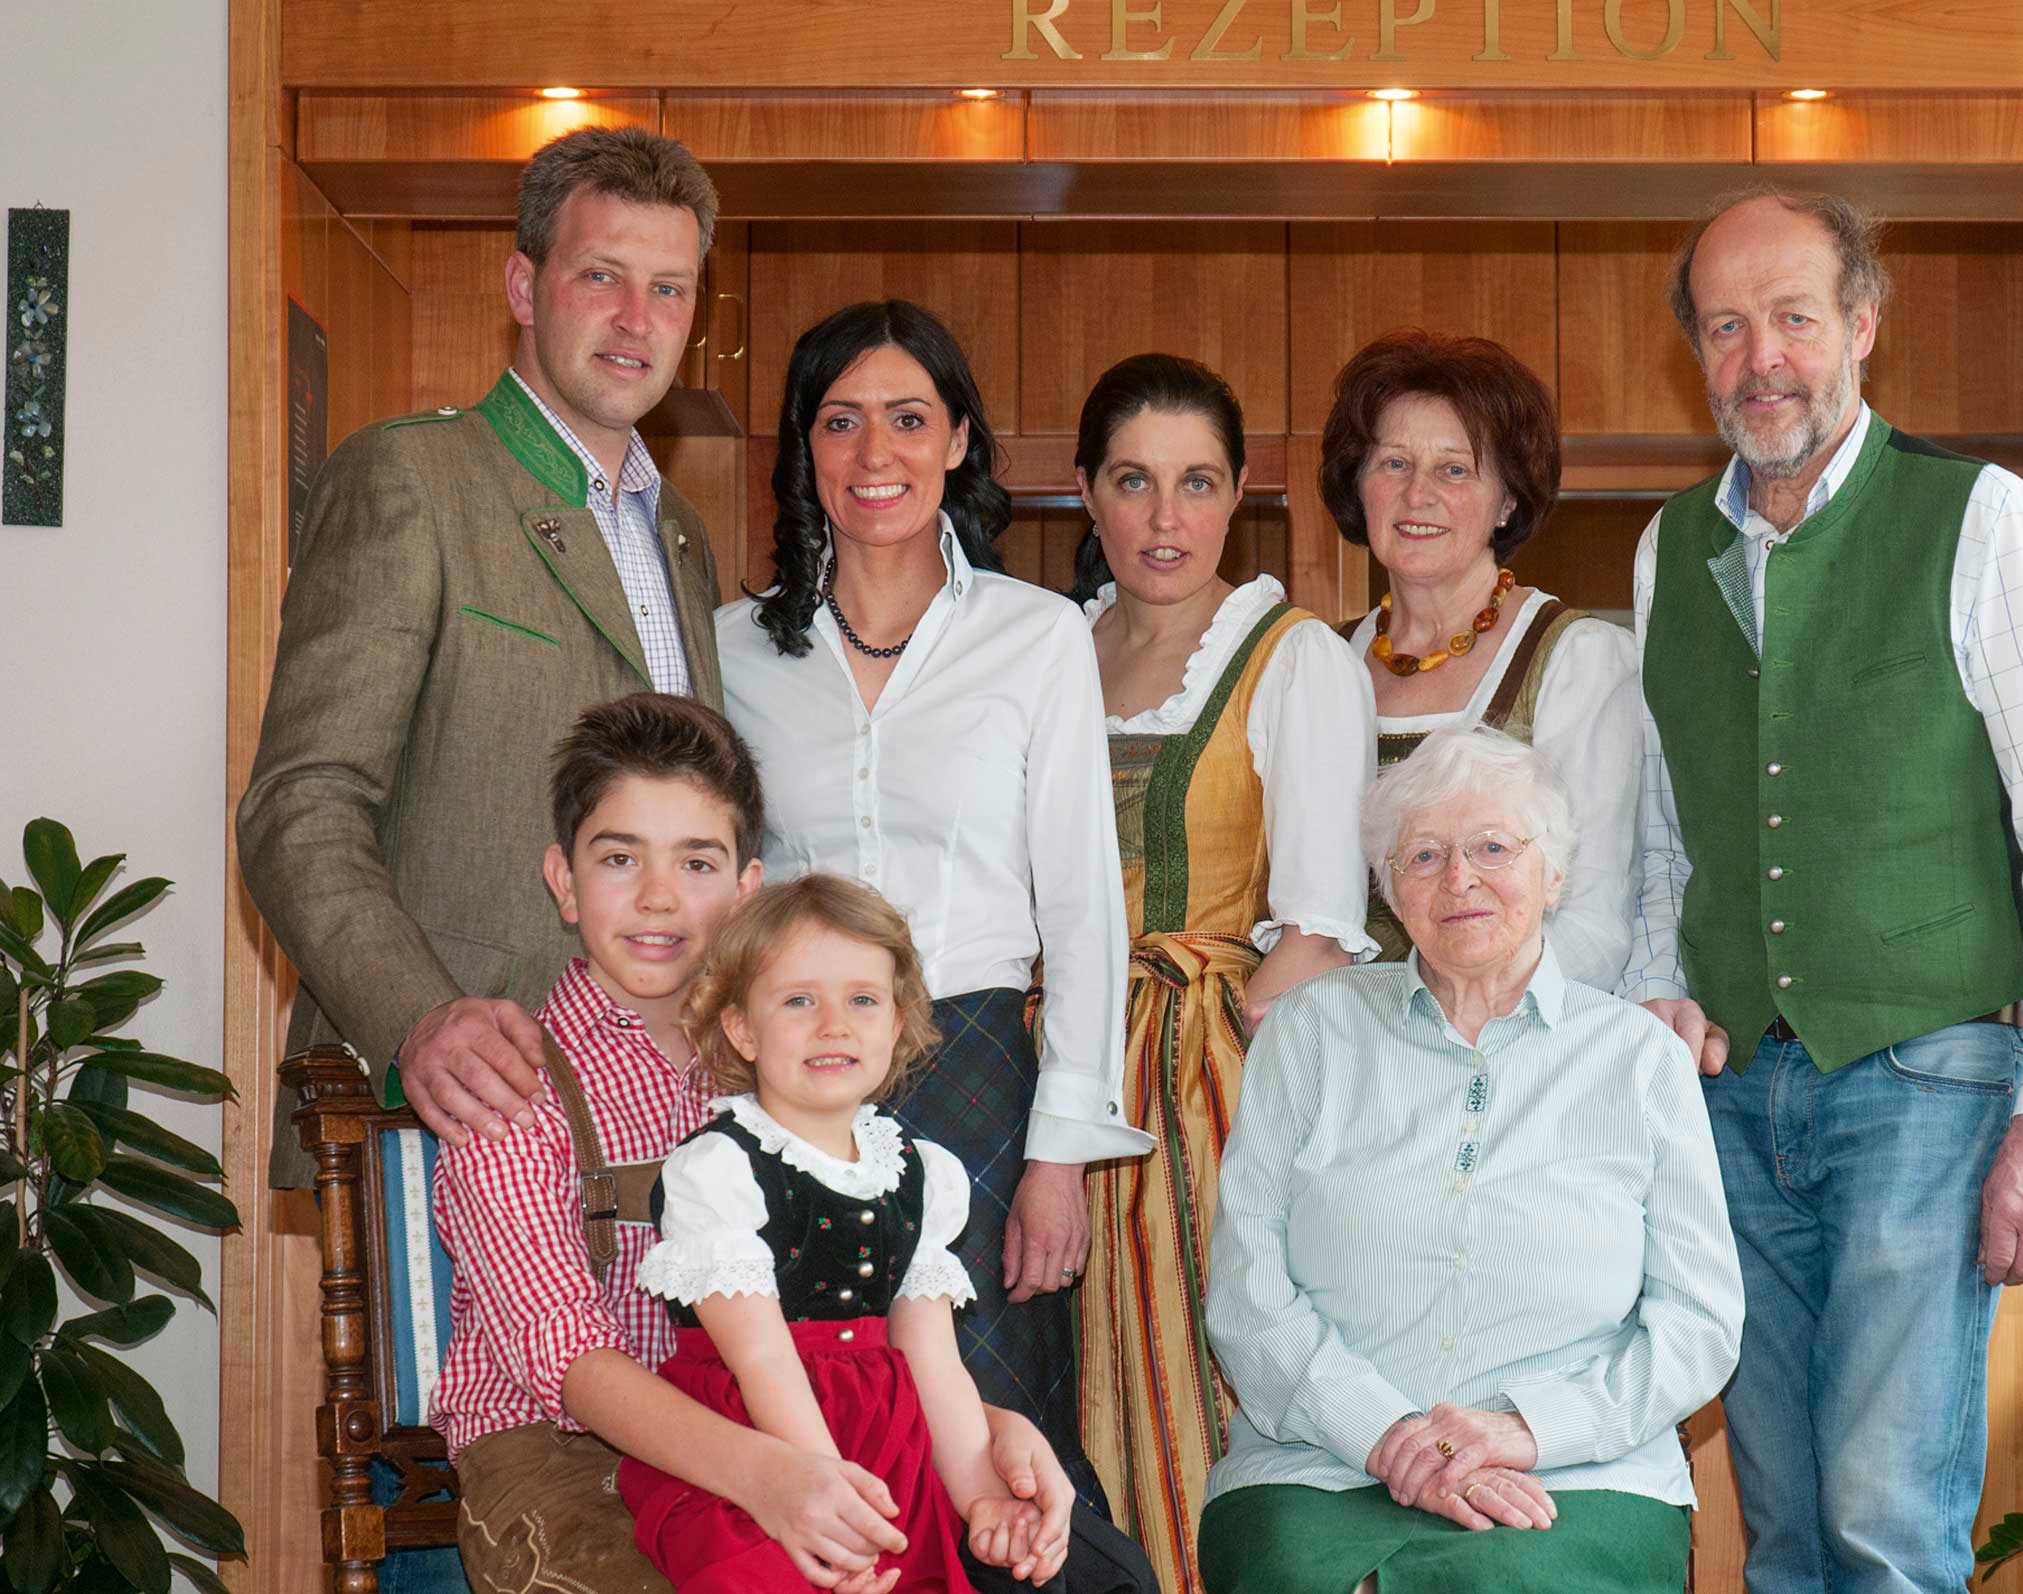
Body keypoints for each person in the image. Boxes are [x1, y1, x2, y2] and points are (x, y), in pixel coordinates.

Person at [1625, 187, 2023, 1592]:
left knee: (1883, 1517)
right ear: (1698, 355)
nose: (1760, 357)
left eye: (1792, 316)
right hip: (1733, 1094)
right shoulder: (1669, 550)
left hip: (1925, 1072)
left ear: (1860, 325)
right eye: (1726, 327)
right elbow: (1665, 844)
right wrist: (1653, 1011)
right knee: (1783, 1527)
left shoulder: (1979, 516)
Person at [429, 694, 1088, 1594]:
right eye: (618, 858)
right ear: (563, 879)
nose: (658, 897)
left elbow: (872, 1318)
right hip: (565, 1456)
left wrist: (989, 1431)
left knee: (1076, 1567)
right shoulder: (512, 1087)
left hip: (790, 1430)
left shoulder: (792, 1073)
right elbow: (568, 1361)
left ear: (747, 889)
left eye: (696, 862)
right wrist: (774, 1479)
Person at [719, 300, 1150, 1508]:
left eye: (909, 419)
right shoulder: (732, 649)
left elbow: (1080, 910)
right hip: (792, 1081)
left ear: (959, 439)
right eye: (841, 420)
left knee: (994, 1421)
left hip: (975, 1071)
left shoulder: (1040, 635)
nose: (875, 455)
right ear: (804, 446)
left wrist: (1058, 1154)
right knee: (821, 1415)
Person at [240, 126, 728, 1191]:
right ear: (523, 282)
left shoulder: (684, 536)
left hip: (653, 1123)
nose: (637, 321)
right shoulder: (413, 478)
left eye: (670, 289)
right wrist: (419, 1020)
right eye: (602, 275)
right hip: (468, 1113)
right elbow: (301, 803)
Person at [1198, 726, 1744, 1594]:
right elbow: (1247, 1288)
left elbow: (1698, 1323)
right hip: (1327, 1464)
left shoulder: (1639, 1058)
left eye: (1494, 847)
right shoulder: (1309, 1035)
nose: (1460, 879)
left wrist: (1528, 1430)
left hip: (1574, 1471)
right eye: (1424, 856)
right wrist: (1384, 1433)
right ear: (1390, 889)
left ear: (1553, 874)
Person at [622, 874, 1158, 1593]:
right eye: (798, 1000)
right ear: (742, 1028)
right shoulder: (719, 1168)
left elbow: (934, 1363)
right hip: (764, 1446)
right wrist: (829, 1502)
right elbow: (761, 1360)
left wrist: (978, 1495)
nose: (833, 1024)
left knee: (1077, 1571)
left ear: (898, 1025)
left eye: (863, 1000)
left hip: (892, 1439)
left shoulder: (919, 1172)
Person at [1067, 353, 1378, 1590]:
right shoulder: (1053, 648)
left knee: (1211, 1383)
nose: (1165, 517)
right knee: (1075, 1401)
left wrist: (1226, 1122)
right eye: (1134, 481)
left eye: (1197, 483)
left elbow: (1312, 933)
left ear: (1240, 489)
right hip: (1056, 1062)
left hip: (1207, 1079)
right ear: (1087, 493)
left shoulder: (1292, 655)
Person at [1318, 331, 1643, 988]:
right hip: (1343, 1046)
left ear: (1509, 499)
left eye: (1455, 469)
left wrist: (1458, 1034)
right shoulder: (1318, 663)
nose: (1419, 496)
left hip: (1512, 1055)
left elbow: (1598, 920)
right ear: (1359, 484)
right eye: (1394, 464)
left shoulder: (1579, 661)